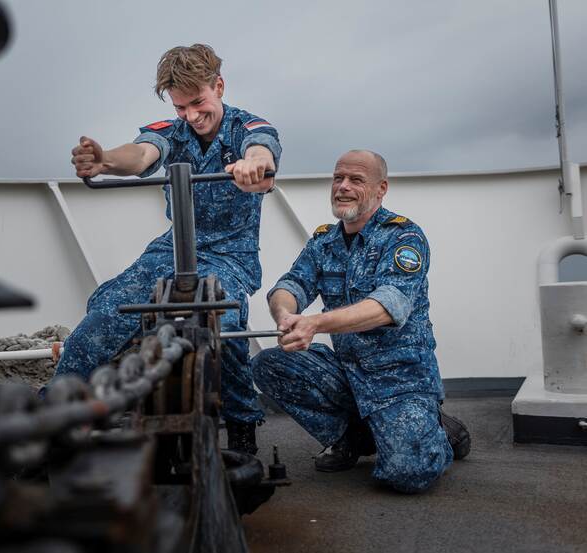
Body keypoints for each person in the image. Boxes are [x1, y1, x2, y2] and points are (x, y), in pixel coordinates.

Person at [50, 44, 281, 454]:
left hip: (231, 253)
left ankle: (243, 426)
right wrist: (104, 162)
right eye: (181, 107)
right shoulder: (171, 131)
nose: (191, 116)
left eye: (198, 103)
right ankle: (53, 420)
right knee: (106, 311)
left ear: (219, 86)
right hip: (172, 249)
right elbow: (141, 155)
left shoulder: (248, 129)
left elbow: (262, 153)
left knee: (224, 325)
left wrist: (254, 166)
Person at [252, 150, 470, 493]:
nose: (343, 186)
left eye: (356, 180)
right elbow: (289, 286)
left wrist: (315, 324)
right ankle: (351, 438)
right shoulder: (324, 242)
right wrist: (286, 315)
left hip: (399, 379)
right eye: (338, 178)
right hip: (349, 371)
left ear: (381, 189)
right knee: (269, 364)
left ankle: (437, 429)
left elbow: (387, 307)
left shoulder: (403, 237)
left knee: (408, 475)